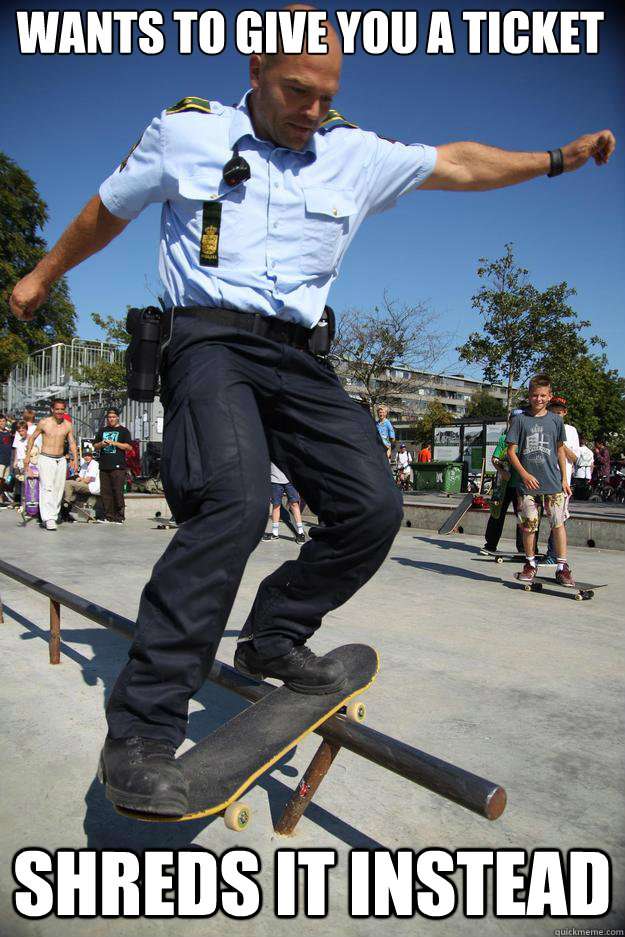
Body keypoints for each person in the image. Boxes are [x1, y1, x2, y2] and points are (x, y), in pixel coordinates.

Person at [9, 4, 614, 815]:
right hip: (209, 342)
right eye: (298, 90)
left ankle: (274, 634)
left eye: (327, 94)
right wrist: (42, 277)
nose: (313, 110)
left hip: (299, 356)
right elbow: (104, 211)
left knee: (372, 506)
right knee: (233, 502)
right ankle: (142, 730)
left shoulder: (351, 151)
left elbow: (458, 164)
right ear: (255, 68)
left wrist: (551, 160)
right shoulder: (186, 133)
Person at [507, 374, 574, 586]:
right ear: (529, 395)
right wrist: (524, 475)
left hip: (553, 482)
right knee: (529, 526)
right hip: (527, 485)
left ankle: (562, 567)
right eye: (535, 395)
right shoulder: (520, 420)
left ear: (550, 396)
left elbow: (560, 450)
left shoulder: (556, 420)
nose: (539, 399)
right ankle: (530, 563)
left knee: (558, 523)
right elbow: (511, 452)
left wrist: (564, 478)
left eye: (543, 395)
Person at [23, 399, 78, 531]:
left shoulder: (68, 425)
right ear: (52, 410)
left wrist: (75, 458)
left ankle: (53, 514)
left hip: (61, 459)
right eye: (57, 409)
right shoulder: (44, 422)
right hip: (46, 458)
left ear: (64, 410)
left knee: (58, 489)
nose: (59, 411)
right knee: (47, 488)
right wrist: (27, 456)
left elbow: (71, 442)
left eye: (62, 409)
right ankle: (48, 518)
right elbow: (32, 438)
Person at [482, 409, 525, 555]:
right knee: (497, 513)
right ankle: (490, 544)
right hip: (504, 485)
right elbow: (494, 459)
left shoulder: (526, 438)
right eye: (514, 420)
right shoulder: (504, 439)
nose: (516, 423)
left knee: (523, 516)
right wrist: (502, 471)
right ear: (510, 421)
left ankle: (524, 548)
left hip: (521, 485)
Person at [543, 396, 580, 564]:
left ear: (565, 413)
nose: (556, 415)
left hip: (561, 480)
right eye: (553, 412)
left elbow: (574, 458)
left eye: (560, 412)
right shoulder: (544, 427)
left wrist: (561, 443)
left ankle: (554, 554)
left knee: (559, 517)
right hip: (544, 476)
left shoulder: (570, 430)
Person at [93, 409, 132, 524]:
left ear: (117, 417)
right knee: (106, 492)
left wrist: (114, 443)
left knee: (117, 491)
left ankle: (119, 517)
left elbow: (129, 447)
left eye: (113, 417)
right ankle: (108, 516)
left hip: (118, 466)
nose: (111, 419)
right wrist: (101, 444)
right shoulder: (102, 430)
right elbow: (95, 445)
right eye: (109, 417)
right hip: (104, 465)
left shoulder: (124, 431)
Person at [263, 462, 306, 543]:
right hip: (274, 480)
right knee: (276, 506)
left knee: (294, 504)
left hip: (290, 480)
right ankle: (275, 534)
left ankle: (301, 533)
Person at [63, 450, 101, 516]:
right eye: (85, 456)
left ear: (92, 456)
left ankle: (66, 503)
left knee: (68, 483)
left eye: (88, 455)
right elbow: (80, 477)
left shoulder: (94, 464)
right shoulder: (84, 464)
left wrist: (78, 481)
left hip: (92, 487)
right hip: (86, 485)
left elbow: (88, 480)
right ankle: (66, 505)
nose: (86, 457)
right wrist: (79, 480)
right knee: (67, 483)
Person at [0, 414, 13, 507]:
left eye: (3, 421)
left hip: (7, 460)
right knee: (0, 480)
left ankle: (1, 496)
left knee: (5, 480)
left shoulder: (8, 433)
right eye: (0, 421)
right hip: (0, 461)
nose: (2, 423)